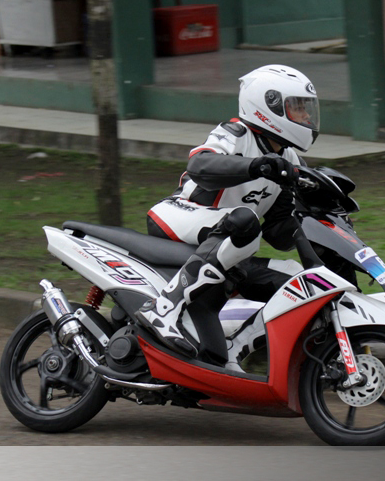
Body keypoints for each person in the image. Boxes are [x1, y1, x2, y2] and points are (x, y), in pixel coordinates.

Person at [135, 64, 320, 357]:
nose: (307, 116)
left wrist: (311, 221)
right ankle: (162, 309)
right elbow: (200, 165)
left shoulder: (289, 157)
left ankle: (236, 351)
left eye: (307, 108)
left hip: (231, 243)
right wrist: (255, 166)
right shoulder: (235, 133)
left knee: (299, 281)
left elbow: (278, 231)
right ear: (268, 106)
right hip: (178, 214)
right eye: (298, 108)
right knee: (245, 221)